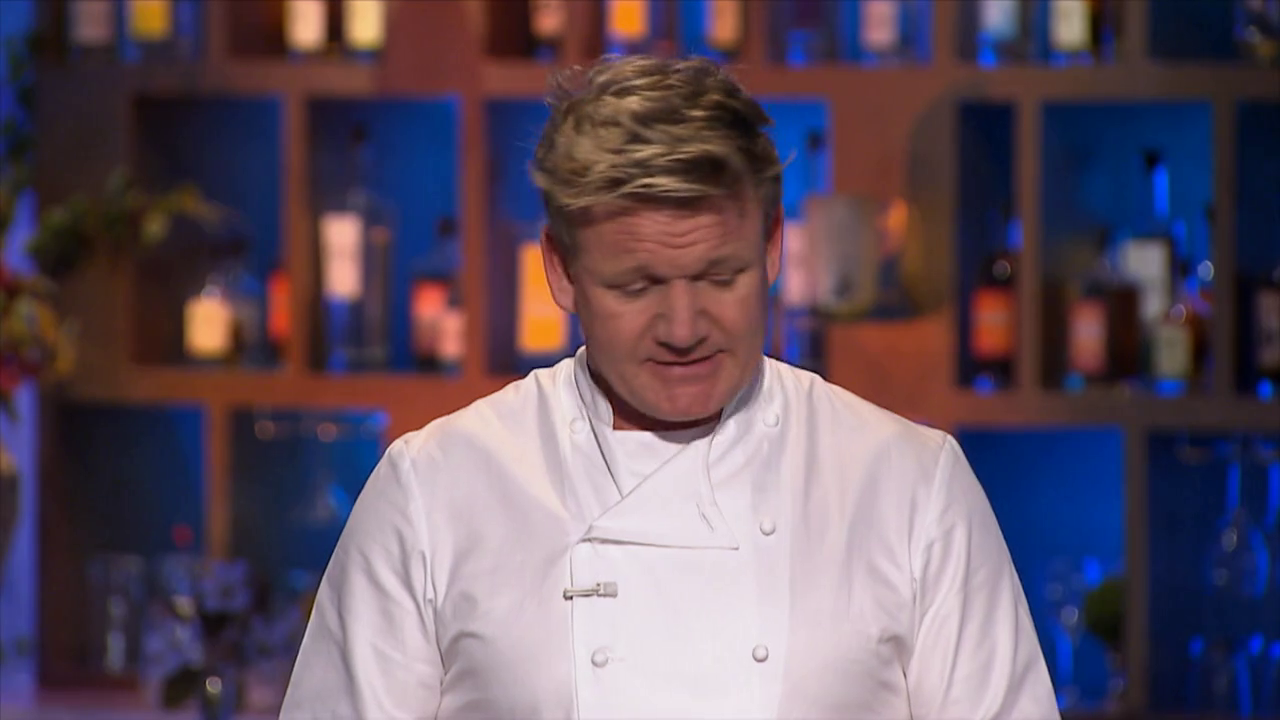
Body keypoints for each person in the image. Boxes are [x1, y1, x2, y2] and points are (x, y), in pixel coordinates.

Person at [279, 54, 1060, 719]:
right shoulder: (435, 489)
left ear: (774, 247)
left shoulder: (909, 486)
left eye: (720, 277)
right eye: (638, 285)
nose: (684, 327)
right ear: (562, 270)